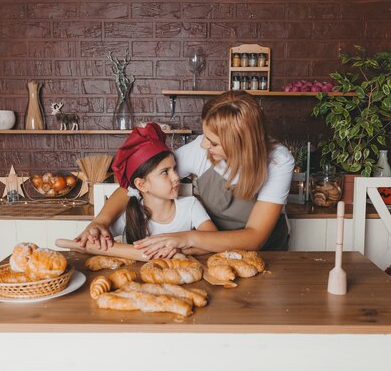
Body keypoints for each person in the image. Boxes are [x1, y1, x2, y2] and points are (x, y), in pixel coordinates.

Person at [77, 91, 295, 258]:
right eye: (205, 136)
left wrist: (186, 238)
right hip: (211, 248)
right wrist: (101, 221)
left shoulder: (278, 161)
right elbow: (139, 182)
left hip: (267, 252)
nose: (203, 144)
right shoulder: (200, 150)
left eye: (214, 142)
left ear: (240, 145)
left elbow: (254, 237)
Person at [109, 123, 217, 371]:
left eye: (174, 169)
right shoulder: (129, 214)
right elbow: (97, 244)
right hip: (139, 304)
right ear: (141, 185)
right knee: (132, 359)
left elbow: (213, 240)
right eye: (165, 173)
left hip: (182, 303)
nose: (175, 177)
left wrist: (178, 247)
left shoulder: (190, 206)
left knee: (169, 358)